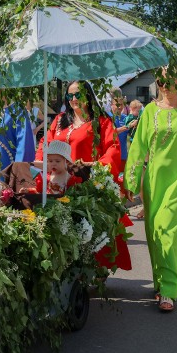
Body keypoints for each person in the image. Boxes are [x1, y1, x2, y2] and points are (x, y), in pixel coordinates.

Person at [124, 68, 177, 312]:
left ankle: (170, 289)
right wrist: (131, 181)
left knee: (170, 233)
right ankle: (160, 281)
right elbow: (138, 148)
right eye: (161, 80)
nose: (165, 85)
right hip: (153, 181)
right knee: (154, 232)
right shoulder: (149, 111)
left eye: (170, 80)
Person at [36, 80, 131, 271]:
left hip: (86, 183)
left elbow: (112, 149)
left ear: (87, 95)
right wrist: (41, 163)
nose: (73, 99)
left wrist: (94, 166)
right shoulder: (60, 120)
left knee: (88, 230)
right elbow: (45, 143)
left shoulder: (101, 121)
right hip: (58, 182)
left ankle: (93, 271)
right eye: (69, 96)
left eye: (77, 94)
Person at [110, 95, 129, 172]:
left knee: (121, 181)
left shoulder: (126, 118)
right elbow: (111, 133)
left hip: (123, 155)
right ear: (112, 105)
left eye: (121, 105)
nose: (119, 107)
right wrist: (127, 127)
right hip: (111, 155)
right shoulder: (108, 117)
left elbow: (131, 134)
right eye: (117, 105)